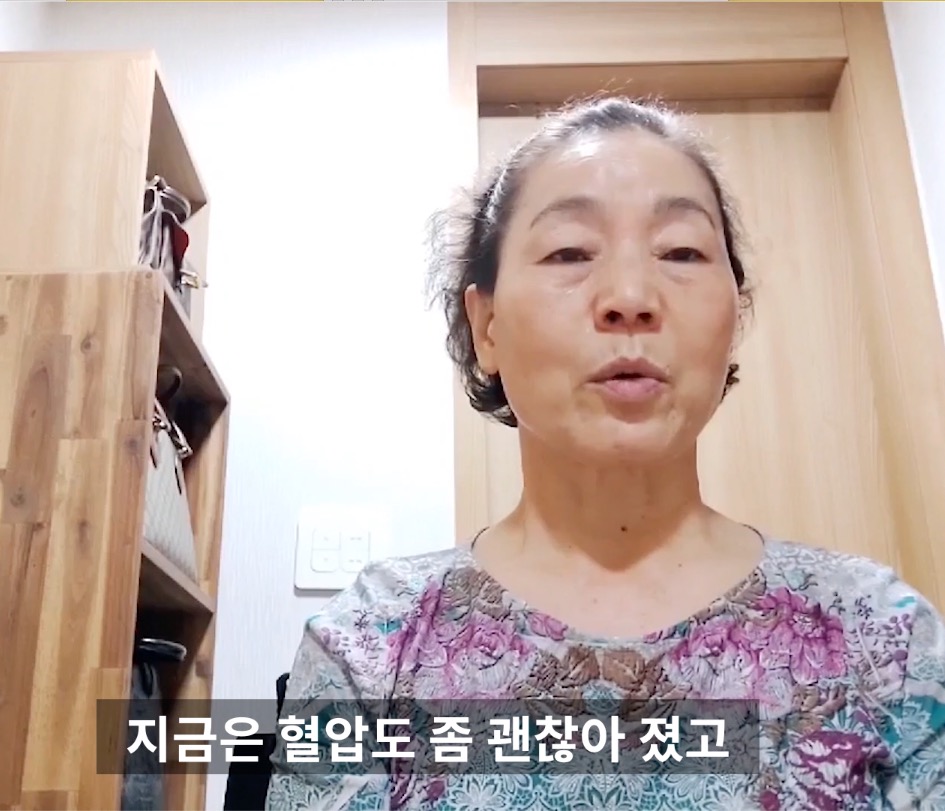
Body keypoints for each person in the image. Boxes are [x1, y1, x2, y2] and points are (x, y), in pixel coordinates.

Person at [266, 96, 945, 810]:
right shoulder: (371, 642)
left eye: (681, 252)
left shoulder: (881, 635)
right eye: (569, 252)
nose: (630, 296)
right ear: (486, 325)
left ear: (734, 317)